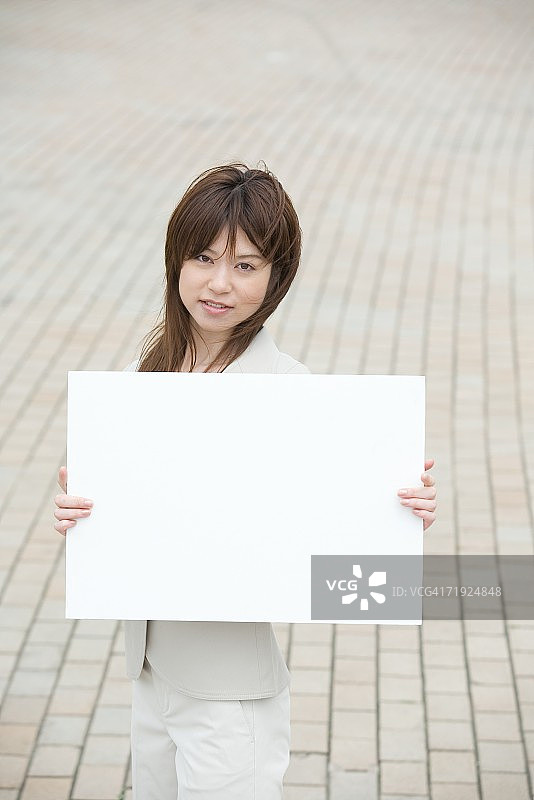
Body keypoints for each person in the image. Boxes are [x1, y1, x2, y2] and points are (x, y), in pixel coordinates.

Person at [54, 162, 437, 799]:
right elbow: (129, 510)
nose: (219, 283)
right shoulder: (142, 377)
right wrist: (79, 514)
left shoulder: (291, 393)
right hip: (149, 674)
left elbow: (345, 526)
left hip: (229, 697)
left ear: (275, 278)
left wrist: (400, 512)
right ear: (176, 260)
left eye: (245, 265)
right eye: (203, 258)